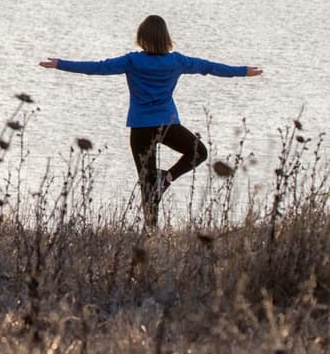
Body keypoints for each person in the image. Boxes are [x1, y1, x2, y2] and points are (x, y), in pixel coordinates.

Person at [39, 14, 262, 227]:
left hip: (141, 128)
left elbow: (97, 68)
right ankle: (166, 179)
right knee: (199, 152)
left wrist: (60, 63)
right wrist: (243, 71)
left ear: (142, 37)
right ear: (166, 38)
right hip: (167, 125)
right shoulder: (176, 61)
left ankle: (151, 229)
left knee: (147, 183)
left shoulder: (132, 61)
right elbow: (210, 67)